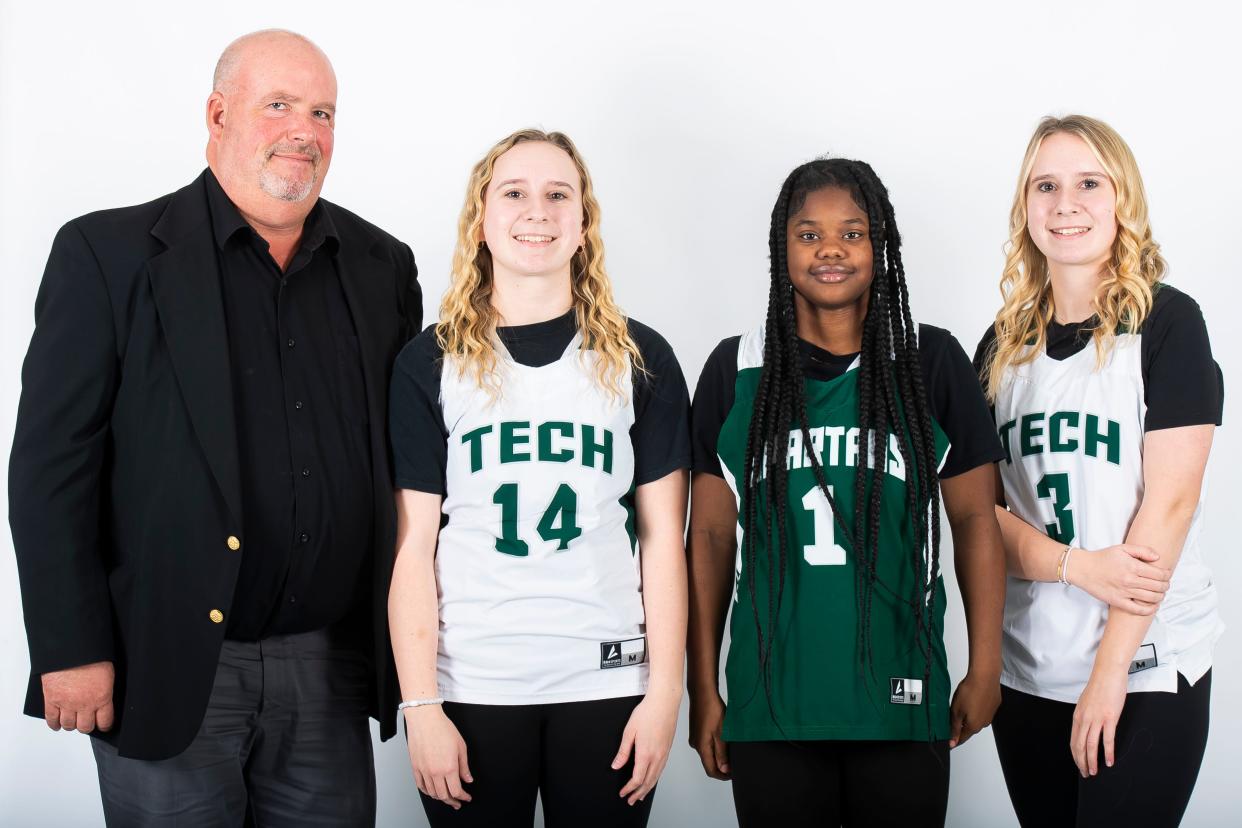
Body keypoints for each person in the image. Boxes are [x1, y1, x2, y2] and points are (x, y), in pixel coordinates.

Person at [9, 29, 421, 826]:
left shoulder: (382, 266)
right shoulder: (109, 254)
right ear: (218, 113)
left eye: (323, 112)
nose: (305, 131)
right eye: (279, 106)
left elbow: (408, 463)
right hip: (162, 663)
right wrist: (69, 647)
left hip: (332, 666)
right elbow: (50, 470)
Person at [687, 157, 1006, 827]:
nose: (830, 248)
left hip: (899, 692)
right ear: (782, 248)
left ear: (880, 245)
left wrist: (986, 665)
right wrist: (702, 684)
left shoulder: (931, 362)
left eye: (852, 232)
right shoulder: (735, 368)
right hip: (771, 697)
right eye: (808, 234)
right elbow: (711, 538)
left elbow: (977, 520)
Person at [388, 129, 689, 828]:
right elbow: (413, 549)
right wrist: (422, 704)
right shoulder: (428, 363)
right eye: (515, 193)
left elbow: (663, 543)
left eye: (560, 195)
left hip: (608, 680)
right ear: (482, 219)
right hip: (473, 684)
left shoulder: (641, 358)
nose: (539, 211)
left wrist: (664, 692)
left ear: (583, 224)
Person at [975, 114, 1223, 827]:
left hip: (1144, 660)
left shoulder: (1171, 325)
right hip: (1031, 663)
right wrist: (1076, 566)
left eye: (1089, 183)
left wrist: (1111, 672)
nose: (1065, 204)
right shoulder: (998, 346)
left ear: (1124, 200)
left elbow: (1169, 507)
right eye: (1044, 186)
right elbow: (977, 515)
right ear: (1025, 208)